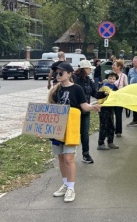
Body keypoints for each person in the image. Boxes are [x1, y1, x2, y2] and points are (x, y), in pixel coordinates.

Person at [49, 62, 101, 203]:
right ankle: (65, 184)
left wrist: (94, 107)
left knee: (68, 158)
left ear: (69, 74)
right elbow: (51, 110)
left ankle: (71, 188)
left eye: (61, 73)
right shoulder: (56, 90)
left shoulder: (77, 89)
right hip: (59, 128)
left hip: (71, 128)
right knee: (60, 157)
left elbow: (84, 106)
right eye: (56, 73)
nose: (57, 75)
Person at [72, 59, 107, 164]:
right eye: (88, 69)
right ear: (83, 69)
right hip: (74, 111)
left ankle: (86, 154)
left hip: (85, 111)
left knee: (85, 133)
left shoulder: (88, 80)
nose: (90, 71)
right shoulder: (73, 78)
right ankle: (69, 154)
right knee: (73, 132)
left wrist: (104, 93)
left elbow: (95, 94)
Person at [96, 72, 119, 150]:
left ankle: (110, 142)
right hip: (103, 107)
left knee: (111, 125)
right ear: (107, 79)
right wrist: (105, 94)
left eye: (113, 79)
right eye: (110, 78)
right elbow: (98, 95)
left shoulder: (115, 87)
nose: (112, 80)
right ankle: (101, 143)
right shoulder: (104, 87)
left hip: (110, 108)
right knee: (104, 125)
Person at [111, 60, 129, 137]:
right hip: (110, 97)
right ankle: (111, 129)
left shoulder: (124, 76)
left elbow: (126, 87)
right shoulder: (110, 75)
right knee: (110, 114)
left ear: (119, 67)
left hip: (119, 98)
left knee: (118, 114)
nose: (113, 66)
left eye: (114, 65)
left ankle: (118, 131)